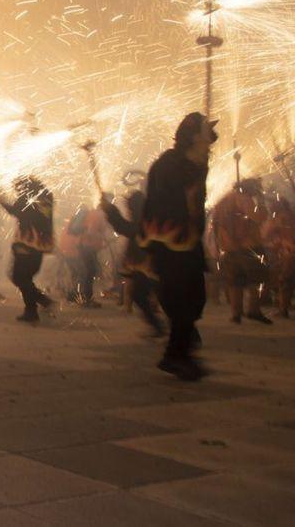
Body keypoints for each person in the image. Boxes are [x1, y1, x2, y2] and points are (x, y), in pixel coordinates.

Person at [138, 112, 216, 381]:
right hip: (169, 245)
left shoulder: (195, 164)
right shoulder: (170, 164)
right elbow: (163, 199)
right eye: (206, 133)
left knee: (195, 300)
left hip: (188, 243)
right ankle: (175, 355)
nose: (210, 141)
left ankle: (181, 343)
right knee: (182, 302)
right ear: (193, 136)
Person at [100, 190, 166, 336]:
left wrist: (110, 211)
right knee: (142, 294)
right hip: (149, 267)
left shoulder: (147, 220)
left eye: (130, 207)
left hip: (153, 267)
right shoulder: (148, 217)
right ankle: (160, 327)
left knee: (160, 296)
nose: (129, 210)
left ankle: (178, 331)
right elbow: (125, 227)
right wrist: (110, 210)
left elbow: (126, 228)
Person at [211, 178, 272, 325]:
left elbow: (215, 224)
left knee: (235, 282)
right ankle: (254, 310)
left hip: (229, 248)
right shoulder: (245, 199)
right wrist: (262, 204)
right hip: (248, 247)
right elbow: (258, 217)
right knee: (257, 279)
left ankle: (236, 314)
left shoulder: (222, 201)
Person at [0, 176, 56, 323]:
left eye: (18, 187)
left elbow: (17, 211)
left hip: (26, 244)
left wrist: (2, 201)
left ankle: (41, 302)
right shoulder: (46, 198)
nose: (17, 190)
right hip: (40, 246)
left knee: (18, 277)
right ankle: (32, 310)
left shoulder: (27, 198)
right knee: (26, 279)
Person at [263, 191, 295, 319]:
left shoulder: (279, 218)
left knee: (285, 281)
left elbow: (265, 235)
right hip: (288, 251)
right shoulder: (291, 215)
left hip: (289, 252)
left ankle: (283, 310)